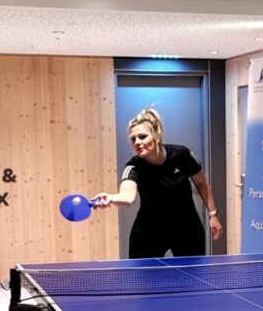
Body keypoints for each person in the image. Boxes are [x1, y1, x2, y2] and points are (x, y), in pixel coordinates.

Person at [94, 108, 222, 258]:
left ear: (157, 136)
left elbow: (201, 182)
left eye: (142, 137)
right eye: (133, 139)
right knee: (143, 273)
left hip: (186, 226)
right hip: (149, 230)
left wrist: (213, 215)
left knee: (192, 273)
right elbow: (127, 197)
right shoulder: (134, 166)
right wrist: (110, 198)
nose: (137, 142)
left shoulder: (182, 155)